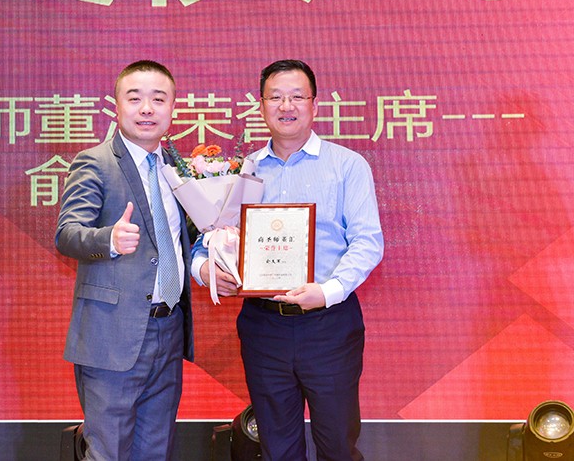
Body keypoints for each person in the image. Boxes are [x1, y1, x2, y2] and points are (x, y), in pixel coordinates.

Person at [192, 59, 383, 461]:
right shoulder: (240, 172)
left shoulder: (347, 166)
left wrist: (327, 292)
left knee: (337, 444)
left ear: (315, 105)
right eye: (275, 97)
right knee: (277, 447)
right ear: (260, 106)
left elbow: (367, 242)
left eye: (297, 96)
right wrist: (206, 270)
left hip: (329, 324)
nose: (286, 106)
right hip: (263, 326)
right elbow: (206, 238)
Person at [56, 60, 193, 461]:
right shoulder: (95, 161)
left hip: (169, 328)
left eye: (158, 99)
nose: (147, 109)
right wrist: (110, 240)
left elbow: (183, 239)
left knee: (156, 449)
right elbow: (67, 233)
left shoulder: (177, 168)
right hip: (113, 334)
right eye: (135, 99)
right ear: (116, 106)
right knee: (108, 451)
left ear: (173, 109)